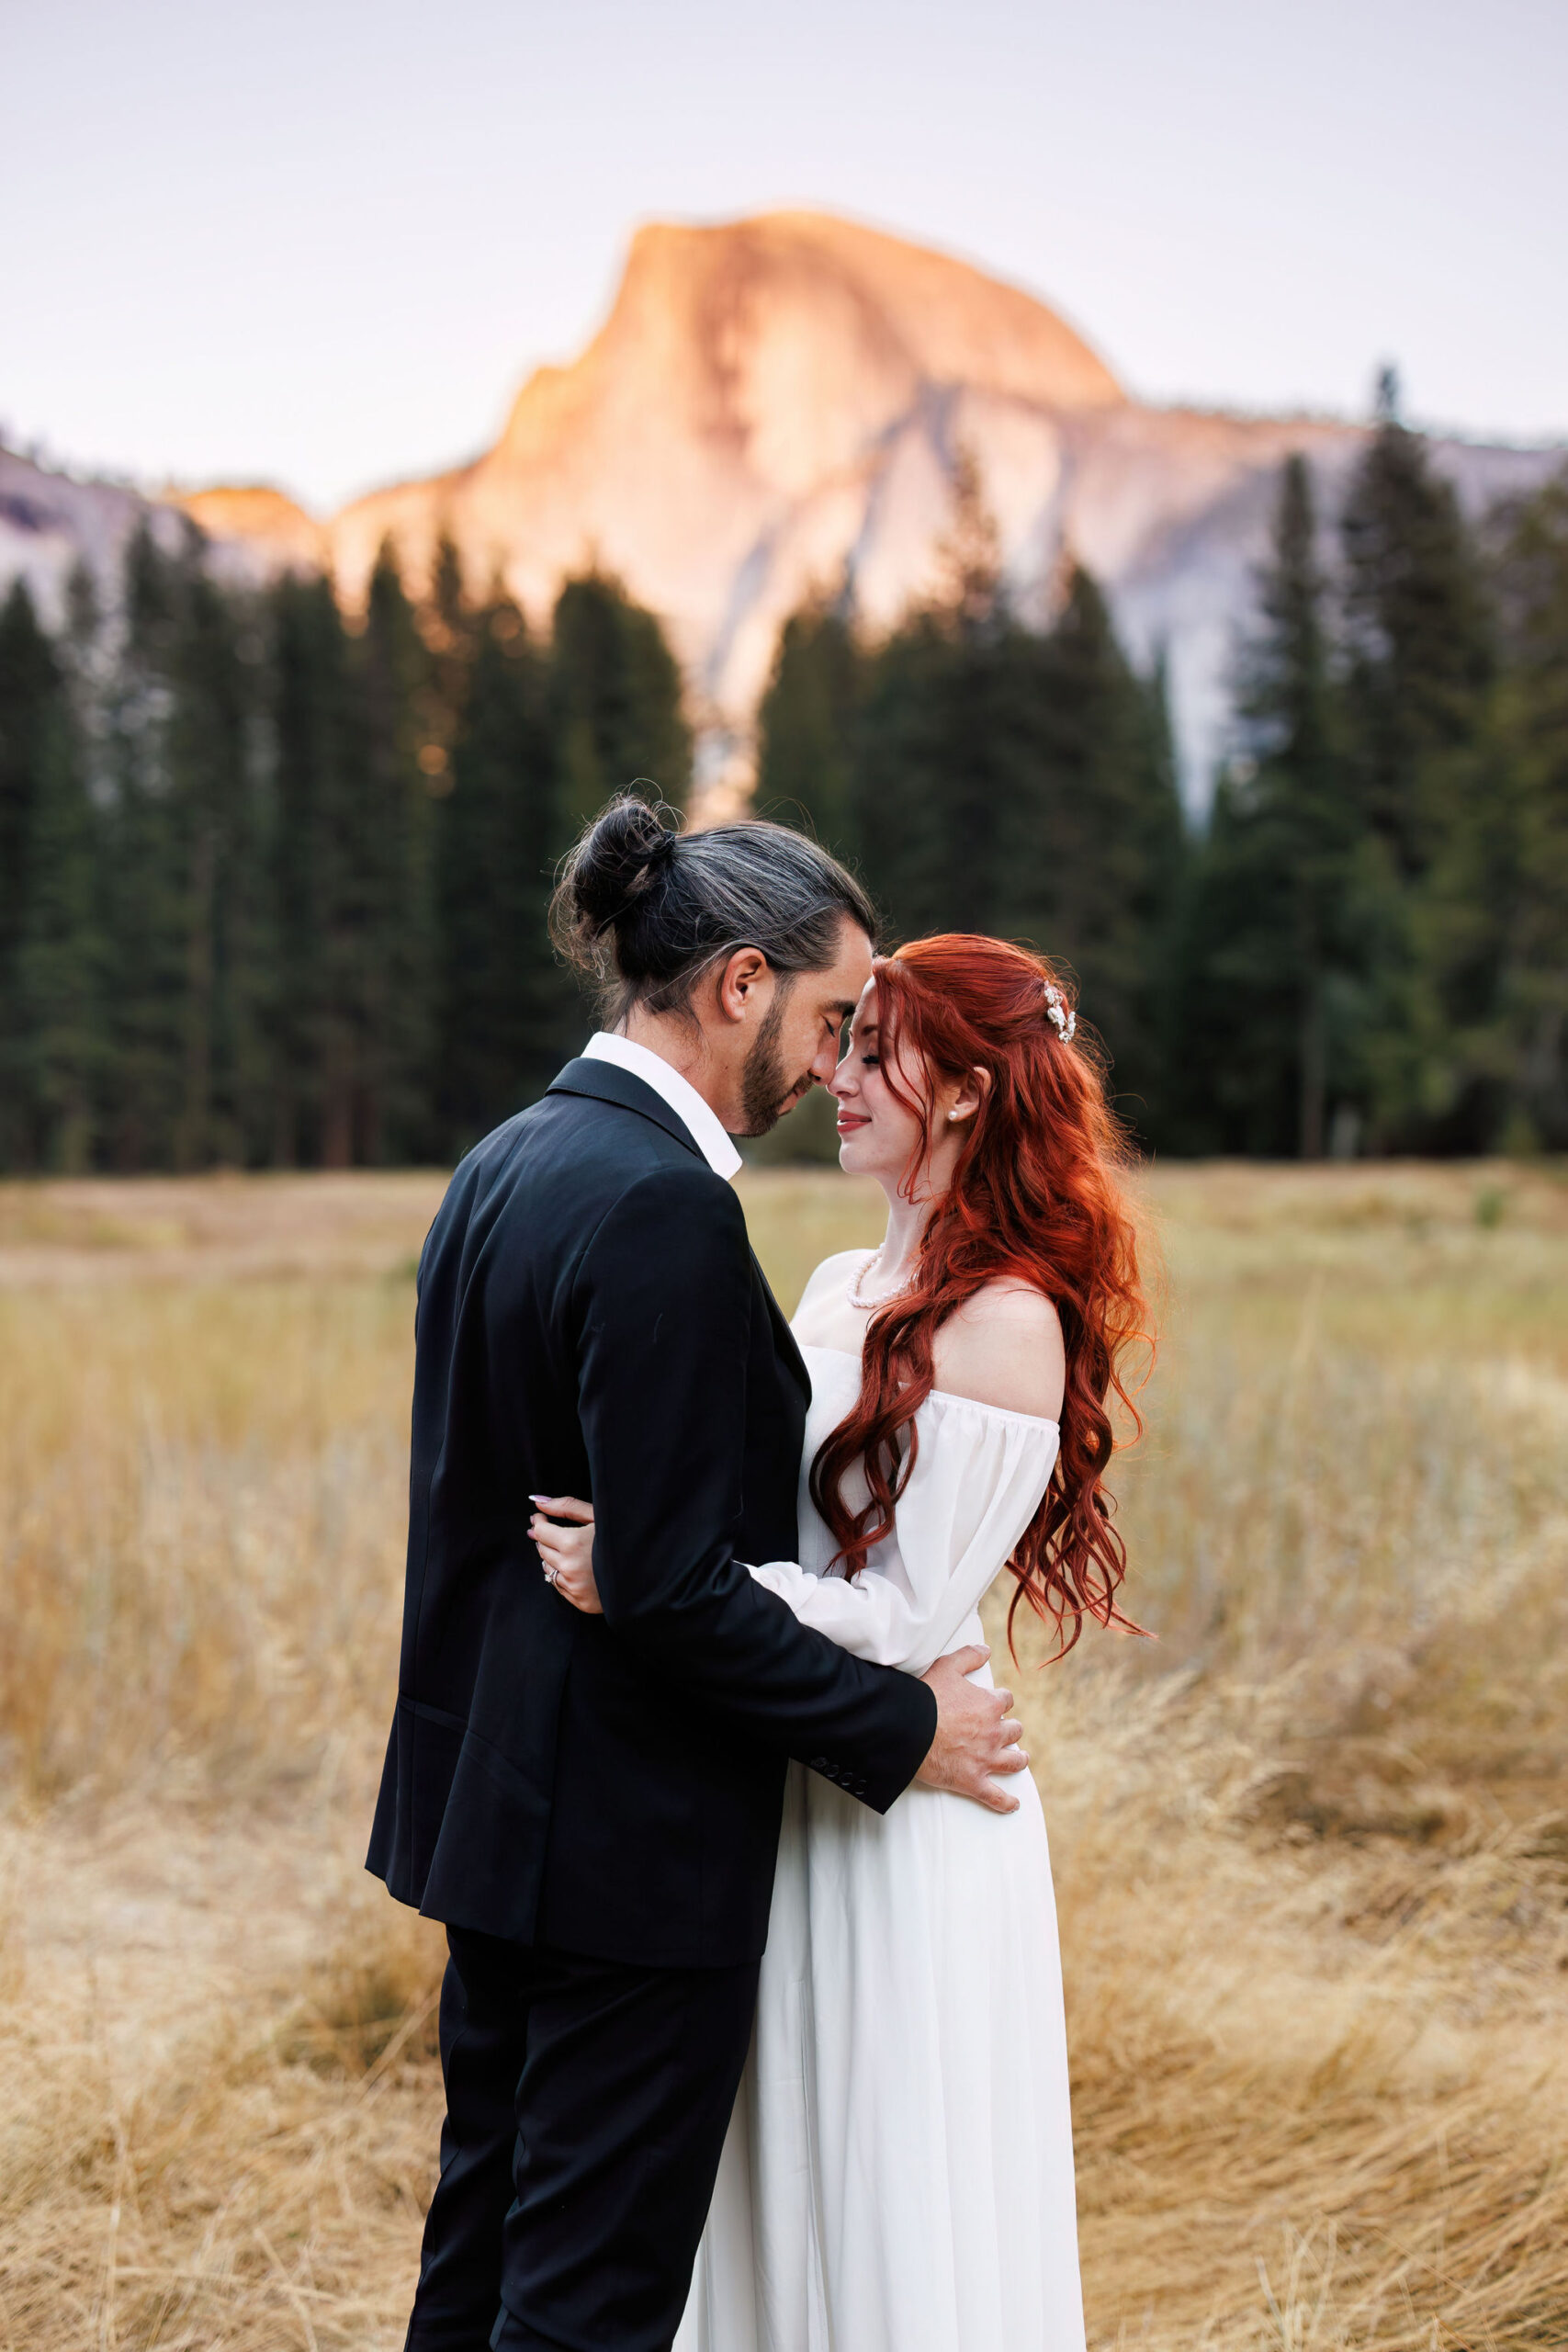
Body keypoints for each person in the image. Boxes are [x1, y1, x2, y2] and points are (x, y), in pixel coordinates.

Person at [366, 798, 1028, 2352]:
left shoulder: (505, 1162)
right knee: (587, 2306)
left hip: (495, 1819)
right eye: (827, 1015)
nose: (832, 1059)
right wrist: (901, 1732)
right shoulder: (664, 1204)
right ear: (739, 985)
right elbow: (663, 1584)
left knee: (479, 2258)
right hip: (630, 1852)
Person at [534, 932, 1151, 2352]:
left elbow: (900, 1619)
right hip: (778, 1776)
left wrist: (652, 1577)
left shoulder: (1005, 1324)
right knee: (762, 2184)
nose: (838, 1075)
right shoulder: (825, 1283)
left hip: (908, 1813)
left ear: (970, 1093)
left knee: (881, 2194)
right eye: (842, 1040)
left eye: (877, 1049)